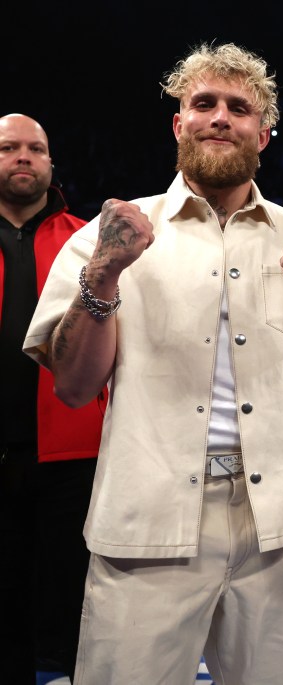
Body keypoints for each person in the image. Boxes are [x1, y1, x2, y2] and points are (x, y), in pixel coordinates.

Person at [23, 42, 283, 684]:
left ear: (264, 134)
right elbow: (73, 387)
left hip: (276, 529)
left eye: (239, 108)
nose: (219, 117)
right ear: (177, 123)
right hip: (147, 520)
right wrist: (105, 275)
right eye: (202, 103)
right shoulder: (109, 236)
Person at [0, 113, 104, 684]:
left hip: (72, 452)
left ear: (50, 163)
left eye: (36, 149)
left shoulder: (88, 240)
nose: (24, 157)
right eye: (9, 148)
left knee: (67, 596)